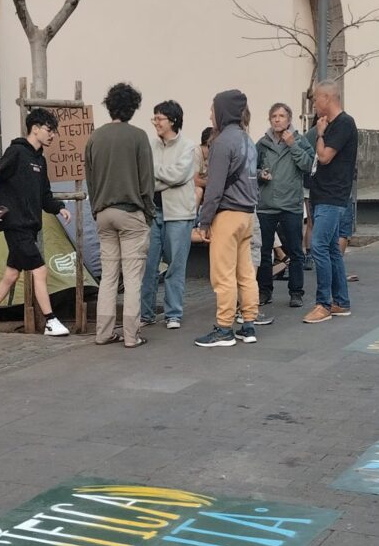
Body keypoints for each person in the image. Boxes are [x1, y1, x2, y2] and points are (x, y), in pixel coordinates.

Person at [0, 107, 72, 336]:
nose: (52, 135)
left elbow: (45, 197)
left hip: (30, 226)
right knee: (40, 270)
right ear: (35, 129)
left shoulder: (41, 160)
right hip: (14, 223)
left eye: (54, 131)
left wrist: (59, 208)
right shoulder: (16, 152)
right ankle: (51, 321)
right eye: (49, 130)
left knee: (11, 274)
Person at [85, 82, 155, 348]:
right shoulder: (138, 136)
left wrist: (96, 209)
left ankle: (103, 333)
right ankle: (131, 335)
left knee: (109, 277)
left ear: (109, 106)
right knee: (133, 277)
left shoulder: (95, 137)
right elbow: (146, 181)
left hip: (103, 213)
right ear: (132, 108)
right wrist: (148, 214)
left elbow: (90, 179)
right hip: (131, 213)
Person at [193, 89, 260, 347]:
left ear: (223, 111)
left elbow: (214, 188)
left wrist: (204, 221)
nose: (210, 115)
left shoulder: (222, 142)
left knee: (223, 275)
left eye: (213, 109)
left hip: (227, 214)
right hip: (247, 214)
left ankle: (224, 328)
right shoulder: (247, 140)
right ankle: (249, 324)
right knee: (246, 273)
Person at [140, 101, 199, 330]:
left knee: (175, 265)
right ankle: (145, 314)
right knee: (148, 265)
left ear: (173, 120)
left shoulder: (188, 146)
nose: (156, 122)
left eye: (160, 118)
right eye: (154, 118)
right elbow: (144, 177)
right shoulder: (150, 145)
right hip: (152, 212)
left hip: (179, 213)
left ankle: (173, 313)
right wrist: (165, 179)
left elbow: (179, 175)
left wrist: (156, 175)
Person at [303, 81, 355, 324]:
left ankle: (323, 304)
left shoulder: (343, 123)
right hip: (322, 195)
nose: (314, 103)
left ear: (327, 98)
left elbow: (324, 157)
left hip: (332, 197)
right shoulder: (330, 123)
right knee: (332, 249)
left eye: (316, 98)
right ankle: (340, 302)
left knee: (319, 246)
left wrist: (321, 133)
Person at [256, 102, 313, 307]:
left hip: (291, 204)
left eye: (281, 116)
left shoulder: (300, 140)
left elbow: (308, 165)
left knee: (295, 250)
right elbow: (250, 169)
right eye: (274, 116)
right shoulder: (262, 143)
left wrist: (293, 145)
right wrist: (260, 174)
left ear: (289, 120)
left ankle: (296, 292)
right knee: (264, 251)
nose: (277, 119)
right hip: (266, 205)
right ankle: (264, 291)